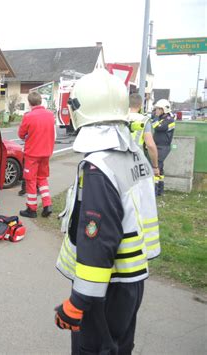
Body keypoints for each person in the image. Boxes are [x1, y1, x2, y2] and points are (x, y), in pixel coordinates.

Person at [54, 69, 160, 354]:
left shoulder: (99, 168)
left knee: (96, 349)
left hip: (106, 287)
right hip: (131, 280)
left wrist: (78, 301)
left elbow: (97, 241)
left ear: (79, 110)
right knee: (119, 347)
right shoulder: (133, 153)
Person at [18, 91, 55, 218]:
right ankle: (47, 204)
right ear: (40, 101)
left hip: (32, 153)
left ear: (29, 103)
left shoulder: (28, 116)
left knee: (30, 180)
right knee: (42, 178)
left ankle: (31, 208)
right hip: (46, 152)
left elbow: (21, 134)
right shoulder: (50, 115)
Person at [129, 93, 160, 177]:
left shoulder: (119, 118)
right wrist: (155, 166)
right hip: (136, 160)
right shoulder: (143, 120)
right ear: (140, 105)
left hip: (118, 159)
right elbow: (150, 145)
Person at [152, 99, 175, 196]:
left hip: (163, 147)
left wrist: (156, 117)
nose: (156, 111)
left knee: (157, 167)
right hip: (158, 146)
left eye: (158, 109)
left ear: (164, 109)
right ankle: (160, 190)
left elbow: (157, 127)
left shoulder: (169, 120)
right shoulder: (163, 118)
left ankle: (155, 191)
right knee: (160, 169)